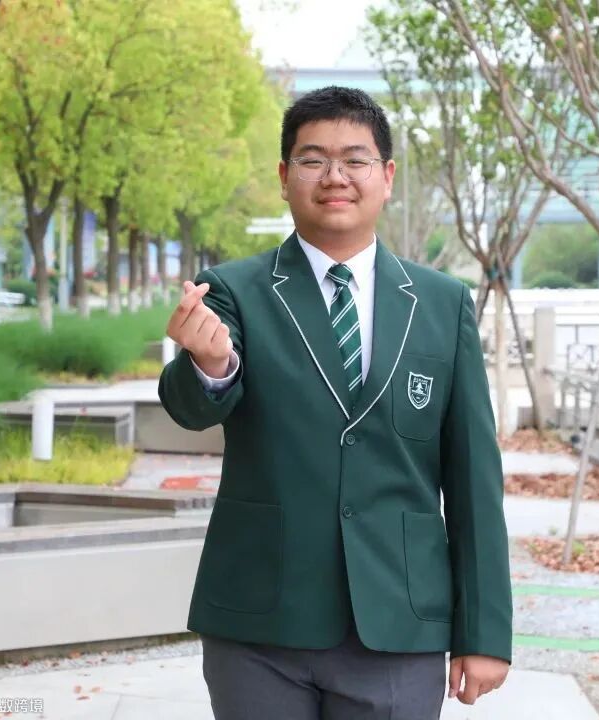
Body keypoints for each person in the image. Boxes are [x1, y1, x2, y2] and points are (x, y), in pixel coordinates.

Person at [158, 85, 512, 720]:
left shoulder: (442, 303)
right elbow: (192, 408)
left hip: (399, 621)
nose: (335, 177)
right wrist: (210, 364)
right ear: (284, 177)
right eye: (313, 159)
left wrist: (484, 632)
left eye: (355, 159)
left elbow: (473, 479)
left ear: (387, 176)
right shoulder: (234, 290)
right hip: (260, 622)